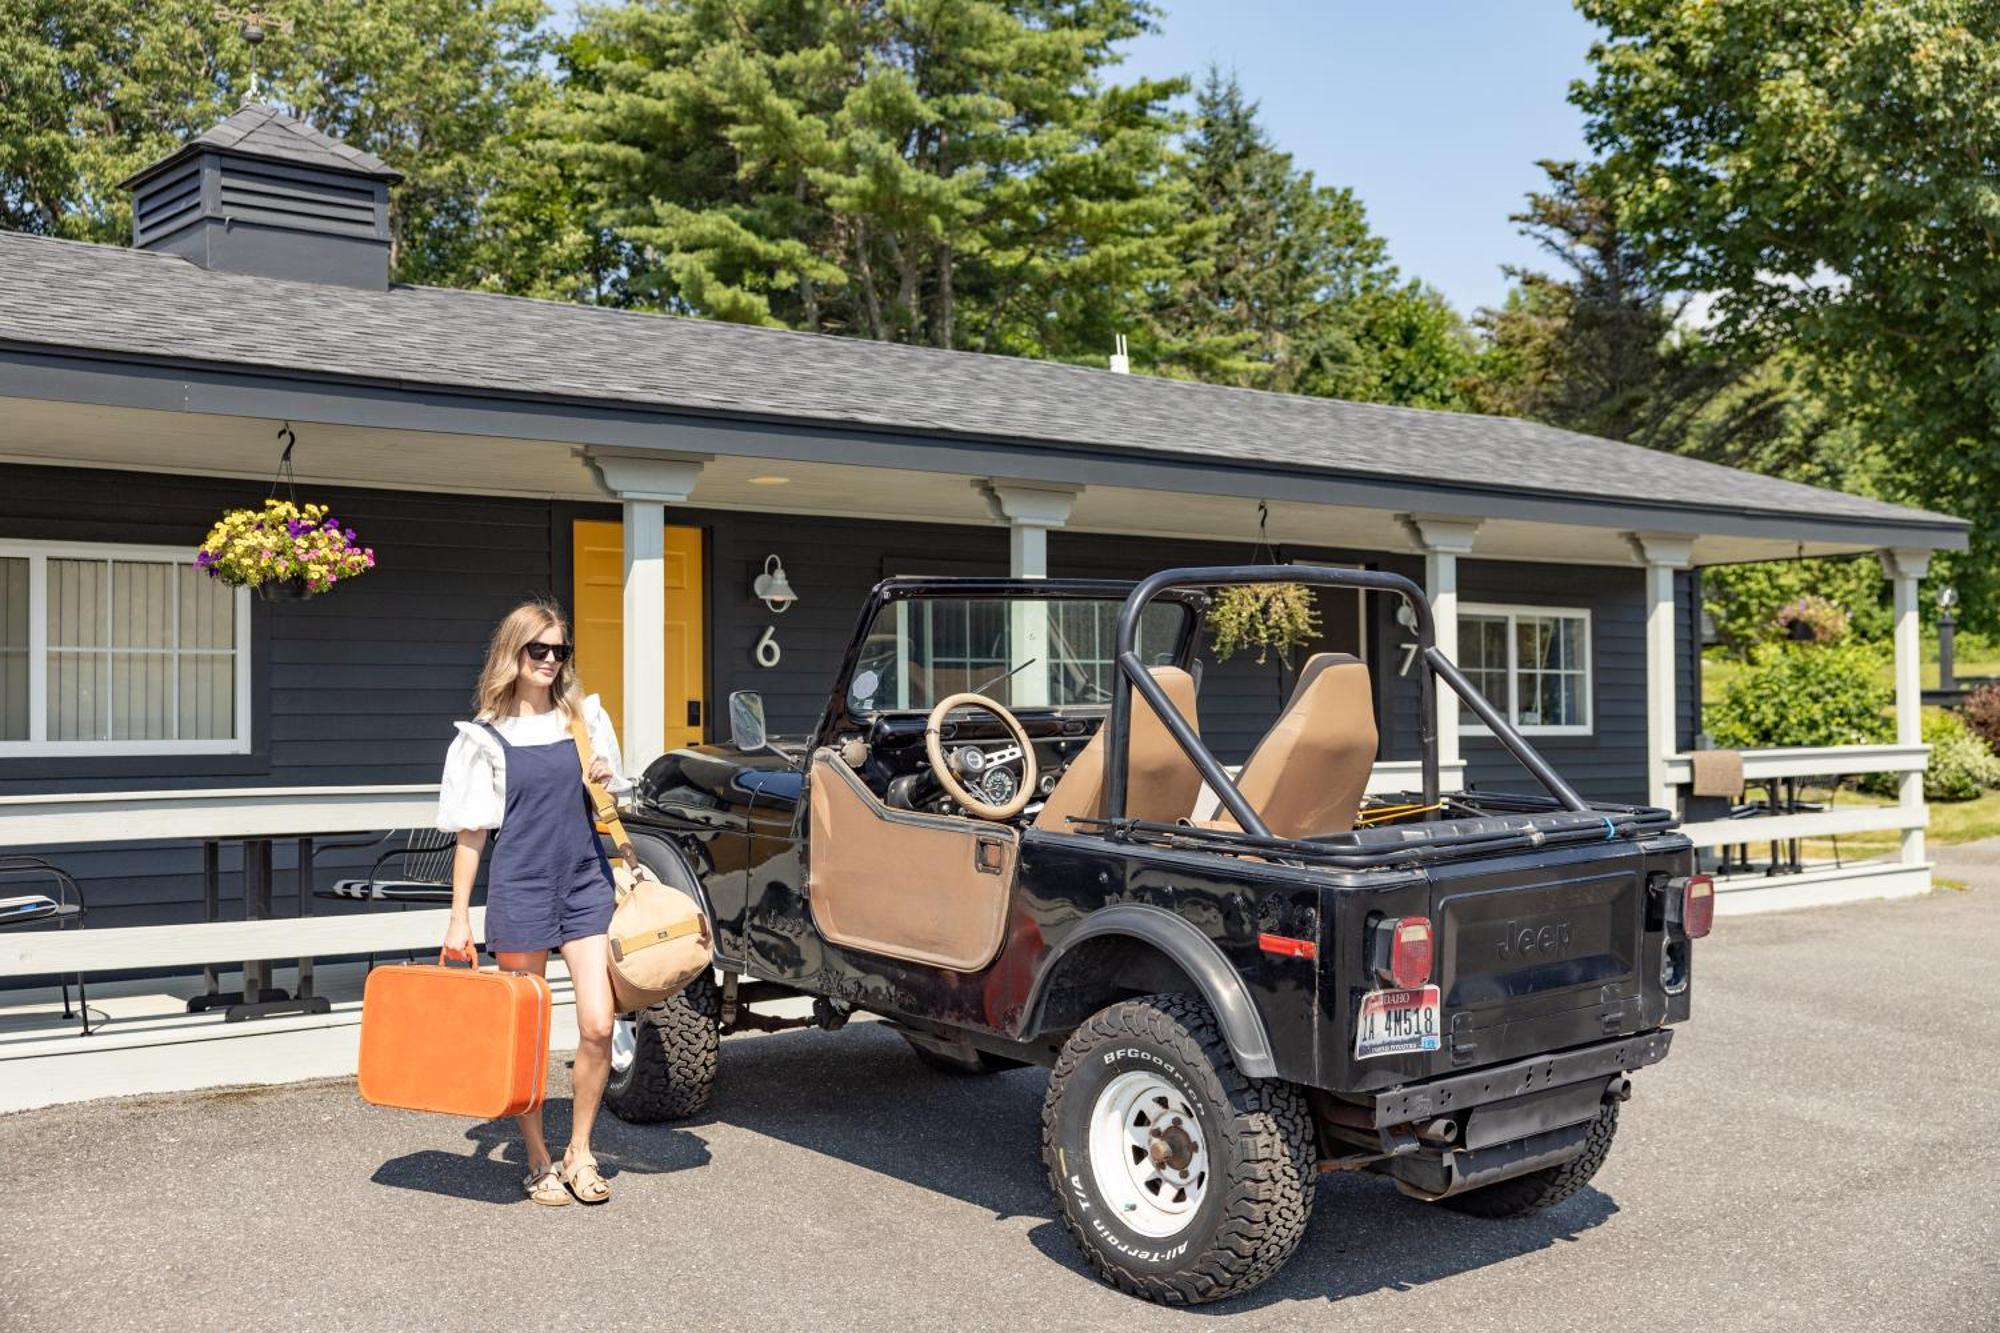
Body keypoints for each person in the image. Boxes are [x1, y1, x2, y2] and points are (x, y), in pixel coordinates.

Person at [437, 599, 627, 1206]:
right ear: (512, 656)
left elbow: (612, 802)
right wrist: (459, 918)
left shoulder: (585, 722)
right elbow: (471, 834)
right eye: (536, 650)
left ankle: (581, 1149)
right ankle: (540, 1158)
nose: (549, 660)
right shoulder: (484, 739)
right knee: (529, 1035)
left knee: (598, 1024)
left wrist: (601, 776)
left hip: (584, 882)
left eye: (558, 651)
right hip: (520, 887)